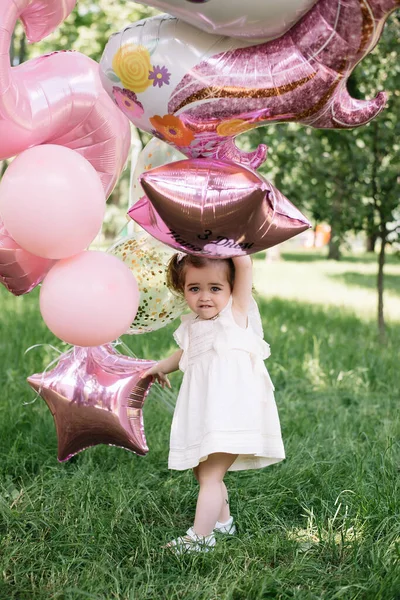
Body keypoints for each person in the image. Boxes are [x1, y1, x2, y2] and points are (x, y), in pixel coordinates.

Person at [141, 252, 285, 553]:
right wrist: (158, 367)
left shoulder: (236, 315)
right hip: (207, 412)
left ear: (232, 289)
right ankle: (223, 521)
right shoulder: (194, 324)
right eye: (194, 288)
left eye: (215, 288)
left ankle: (200, 538)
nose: (204, 296)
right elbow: (184, 354)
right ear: (183, 289)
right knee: (202, 470)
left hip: (232, 412)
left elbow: (244, 264)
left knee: (209, 474)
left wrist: (228, 237)